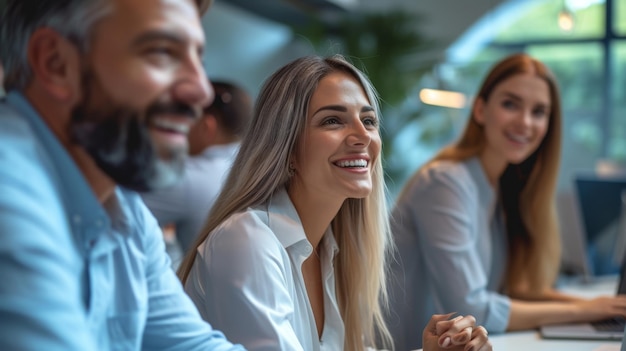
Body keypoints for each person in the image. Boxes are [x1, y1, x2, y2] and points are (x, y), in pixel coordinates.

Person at [178, 54, 492, 351]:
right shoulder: (246, 240)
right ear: (286, 148)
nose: (363, 136)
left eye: (368, 121)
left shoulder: (332, 247)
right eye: (332, 121)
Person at [0, 0, 245, 350]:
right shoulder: (10, 191)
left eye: (198, 61)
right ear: (56, 64)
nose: (202, 91)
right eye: (162, 53)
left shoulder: (122, 206)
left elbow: (193, 345)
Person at [386, 53, 626, 351]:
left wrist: (598, 304)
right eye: (510, 104)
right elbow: (471, 307)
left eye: (539, 112)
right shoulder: (445, 182)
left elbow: (514, 291)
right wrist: (588, 310)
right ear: (480, 110)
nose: (525, 122)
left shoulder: (500, 189)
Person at [141, 80, 252, 256]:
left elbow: (113, 210)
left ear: (207, 127)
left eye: (185, 118)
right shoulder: (254, 167)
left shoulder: (192, 177)